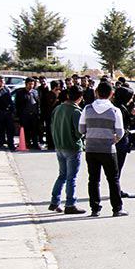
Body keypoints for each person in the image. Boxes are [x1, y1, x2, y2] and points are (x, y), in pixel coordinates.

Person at [78, 81, 127, 217]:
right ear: (112, 94)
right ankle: (117, 208)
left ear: (96, 93)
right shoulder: (115, 111)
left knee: (93, 179)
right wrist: (113, 140)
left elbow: (81, 129)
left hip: (91, 148)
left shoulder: (87, 109)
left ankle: (95, 208)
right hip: (108, 149)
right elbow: (120, 132)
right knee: (113, 179)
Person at [49, 85, 86, 214]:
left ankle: (55, 201)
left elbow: (52, 126)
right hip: (72, 146)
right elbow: (79, 132)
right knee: (72, 177)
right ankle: (70, 204)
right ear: (80, 98)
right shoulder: (76, 112)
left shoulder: (58, 108)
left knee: (62, 175)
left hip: (59, 145)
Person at [14, 77, 41, 149]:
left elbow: (38, 103)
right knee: (26, 130)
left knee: (35, 130)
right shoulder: (20, 93)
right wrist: (18, 115)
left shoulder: (35, 92)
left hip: (34, 115)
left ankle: (35, 143)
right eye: (29, 84)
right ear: (26, 84)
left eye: (32, 84)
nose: (31, 86)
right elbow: (17, 105)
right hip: (25, 115)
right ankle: (27, 143)